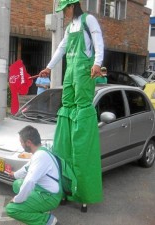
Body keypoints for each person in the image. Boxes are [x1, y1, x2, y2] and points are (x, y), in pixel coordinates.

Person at [39, 0, 104, 211]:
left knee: (82, 105)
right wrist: (48, 68)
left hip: (84, 69)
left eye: (65, 9)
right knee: (66, 104)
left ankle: (80, 131)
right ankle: (65, 183)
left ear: (73, 5)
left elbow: (98, 40)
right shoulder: (69, 28)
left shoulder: (88, 20)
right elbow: (61, 48)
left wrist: (97, 62)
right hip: (70, 70)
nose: (64, 13)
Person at [5, 125, 62, 225]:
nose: (21, 145)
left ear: (28, 143)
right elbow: (27, 168)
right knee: (17, 183)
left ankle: (48, 220)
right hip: (45, 190)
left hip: (49, 197)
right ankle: (37, 209)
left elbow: (29, 181)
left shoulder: (40, 156)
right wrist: (14, 174)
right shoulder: (42, 150)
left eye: (21, 142)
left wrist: (17, 199)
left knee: (11, 209)